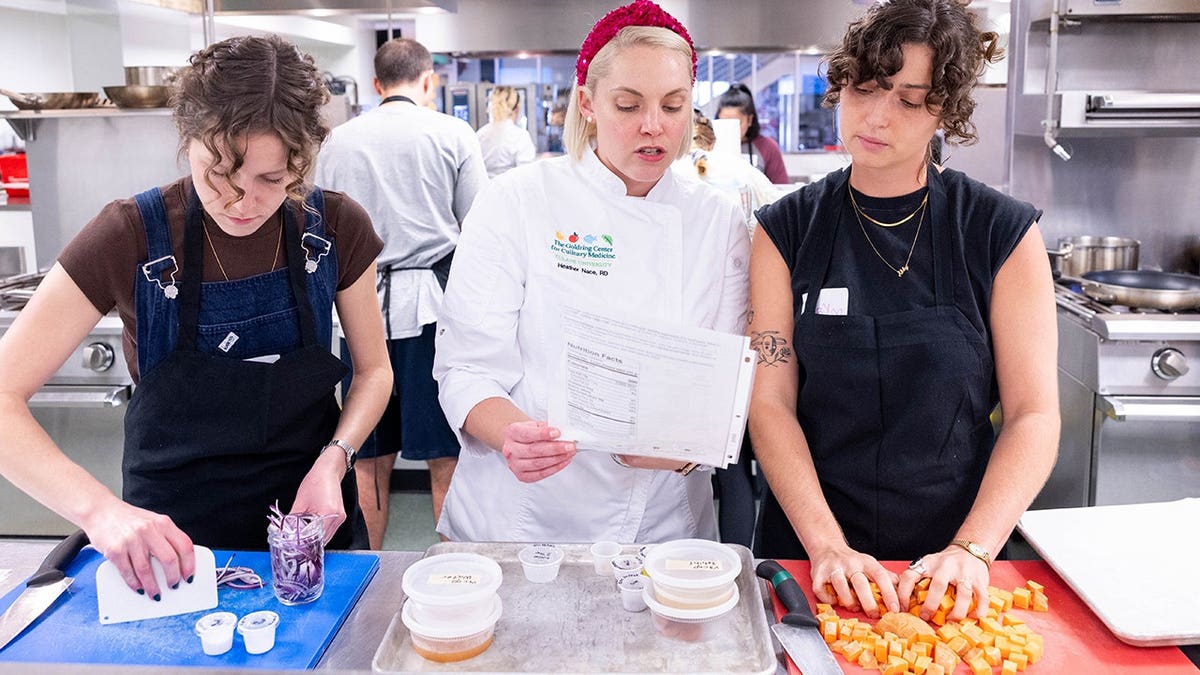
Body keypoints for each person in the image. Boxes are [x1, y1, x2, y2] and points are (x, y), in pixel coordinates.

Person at [0, 35, 390, 595]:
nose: (240, 202)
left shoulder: (333, 229)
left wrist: (336, 459)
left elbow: (374, 371)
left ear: (302, 161)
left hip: (311, 523)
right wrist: (100, 511)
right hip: (169, 541)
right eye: (218, 173)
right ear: (188, 141)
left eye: (271, 180)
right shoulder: (129, 234)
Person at [748, 0, 1059, 624]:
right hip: (810, 556)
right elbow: (770, 402)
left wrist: (972, 549)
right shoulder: (784, 230)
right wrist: (826, 546)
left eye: (910, 101)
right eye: (864, 89)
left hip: (955, 562)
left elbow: (1033, 414)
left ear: (945, 111)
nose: (877, 116)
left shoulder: (999, 232)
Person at [432, 0, 750, 543]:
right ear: (587, 103)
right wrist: (513, 435)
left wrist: (685, 452)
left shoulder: (718, 220)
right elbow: (466, 366)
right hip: (522, 517)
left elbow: (728, 380)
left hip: (661, 525)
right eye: (628, 105)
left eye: (673, 105)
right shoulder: (518, 200)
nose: (653, 126)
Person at [314, 37, 487, 550]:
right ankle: (455, 573)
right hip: (432, 310)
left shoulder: (336, 141)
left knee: (366, 459)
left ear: (376, 83)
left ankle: (369, 574)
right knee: (446, 456)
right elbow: (480, 226)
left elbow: (317, 222)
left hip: (357, 308)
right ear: (428, 79)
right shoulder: (452, 133)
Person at [716, 83, 790, 184]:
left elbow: (781, 188)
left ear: (749, 120)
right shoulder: (709, 148)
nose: (731, 129)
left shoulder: (768, 147)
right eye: (725, 122)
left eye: (737, 123)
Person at [477, 85, 538, 178]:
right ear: (517, 109)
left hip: (485, 186)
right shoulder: (520, 136)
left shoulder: (480, 134)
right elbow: (526, 174)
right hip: (511, 187)